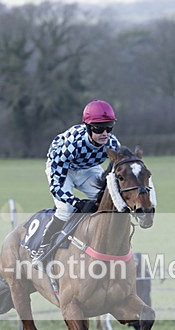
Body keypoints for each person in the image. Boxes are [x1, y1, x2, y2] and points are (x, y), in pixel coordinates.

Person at [31, 99, 121, 263]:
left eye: (109, 128)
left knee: (107, 202)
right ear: (88, 127)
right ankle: (43, 248)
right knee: (66, 208)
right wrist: (76, 202)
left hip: (88, 169)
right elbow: (56, 186)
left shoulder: (113, 145)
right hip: (62, 168)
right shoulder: (72, 144)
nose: (105, 133)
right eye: (99, 128)